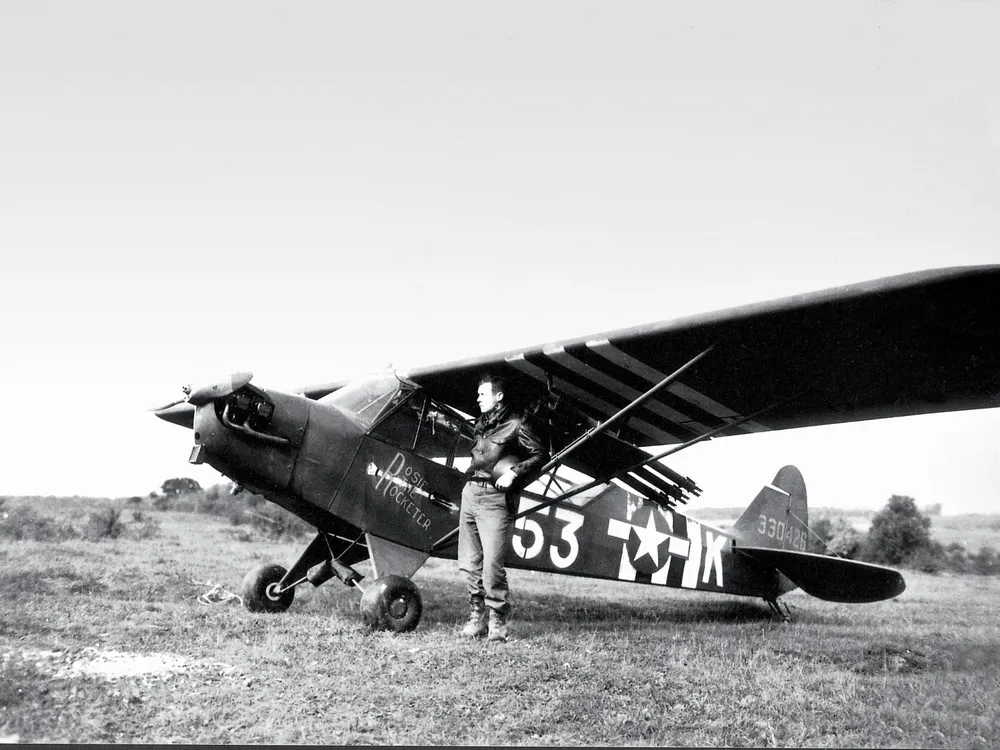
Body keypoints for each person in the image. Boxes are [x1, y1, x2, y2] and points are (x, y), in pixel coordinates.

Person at [459, 374, 548, 642]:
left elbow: (541, 454)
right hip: (471, 494)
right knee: (469, 563)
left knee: (492, 566)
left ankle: (497, 622)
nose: (478, 398)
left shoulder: (517, 424)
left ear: (499, 396)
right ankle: (478, 620)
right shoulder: (481, 425)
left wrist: (515, 473)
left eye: (483, 394)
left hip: (495, 501)